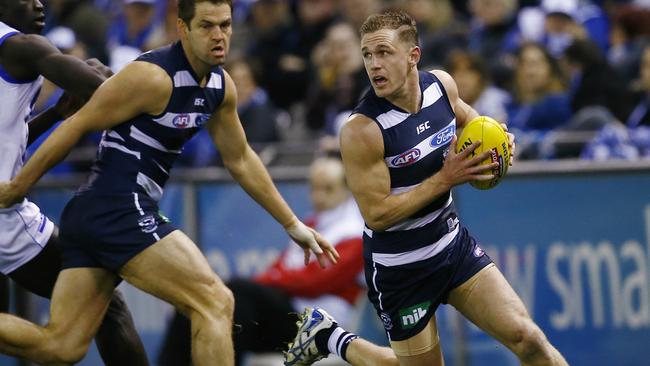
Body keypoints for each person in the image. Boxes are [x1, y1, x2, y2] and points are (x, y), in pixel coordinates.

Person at [0, 1, 338, 365]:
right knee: (215, 301)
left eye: (225, 25)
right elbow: (75, 126)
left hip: (100, 216)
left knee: (61, 345)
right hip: (116, 207)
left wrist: (292, 223)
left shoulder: (220, 86)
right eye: (207, 26)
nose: (219, 36)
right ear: (182, 28)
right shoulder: (152, 75)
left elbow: (240, 159)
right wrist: (19, 186)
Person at [284, 11, 568, 366]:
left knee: (529, 339)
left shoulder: (441, 86)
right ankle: (332, 338)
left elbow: (470, 120)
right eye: (367, 55)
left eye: (384, 52)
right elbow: (378, 214)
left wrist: (497, 138)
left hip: (452, 246)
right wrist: (445, 179)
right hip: (401, 269)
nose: (374, 65)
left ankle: (330, 337)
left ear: (413, 56)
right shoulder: (362, 130)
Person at [0, 0, 149, 364]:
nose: (38, 3)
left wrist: (54, 115)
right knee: (104, 301)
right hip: (3, 214)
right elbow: (105, 88)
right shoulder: (22, 46)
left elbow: (7, 138)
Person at [158, 156, 364, 366]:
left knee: (235, 296)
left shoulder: (354, 233)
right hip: (288, 311)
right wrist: (271, 279)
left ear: (347, 190)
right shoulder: (312, 223)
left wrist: (268, 280)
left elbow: (312, 283)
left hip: (317, 324)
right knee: (202, 300)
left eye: (328, 189)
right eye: (315, 188)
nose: (319, 196)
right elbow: (282, 268)